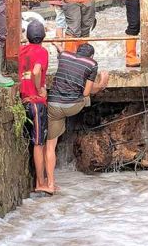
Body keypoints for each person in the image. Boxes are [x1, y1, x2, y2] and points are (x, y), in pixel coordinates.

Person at [46, 43, 108, 193]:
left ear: (76, 52)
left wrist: (57, 45)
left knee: (50, 146)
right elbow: (86, 92)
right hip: (73, 107)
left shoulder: (65, 55)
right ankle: (88, 119)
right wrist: (101, 84)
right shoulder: (92, 64)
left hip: (53, 105)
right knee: (87, 97)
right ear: (91, 56)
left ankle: (50, 184)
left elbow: (61, 51)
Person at [18, 20, 50, 194]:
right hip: (36, 103)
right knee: (39, 143)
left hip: (24, 100)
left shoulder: (22, 50)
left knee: (35, 141)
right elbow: (37, 71)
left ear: (27, 36)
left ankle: (40, 180)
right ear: (43, 36)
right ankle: (41, 182)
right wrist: (40, 88)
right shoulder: (42, 52)